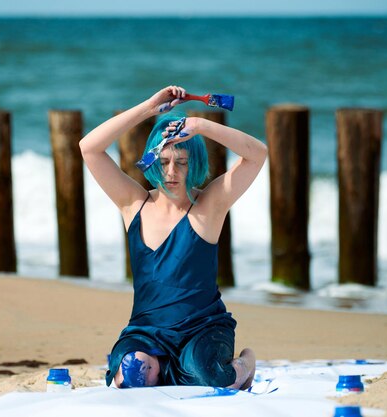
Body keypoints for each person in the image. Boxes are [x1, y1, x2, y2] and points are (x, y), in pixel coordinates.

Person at [79, 85, 267, 389]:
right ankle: (155, 367)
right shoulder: (134, 204)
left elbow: (258, 155)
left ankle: (245, 365)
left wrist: (201, 125)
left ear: (194, 164)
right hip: (147, 331)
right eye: (164, 161)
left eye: (181, 162)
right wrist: (149, 108)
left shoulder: (208, 207)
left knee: (209, 379)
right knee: (132, 374)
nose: (171, 172)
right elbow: (89, 148)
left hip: (202, 330)